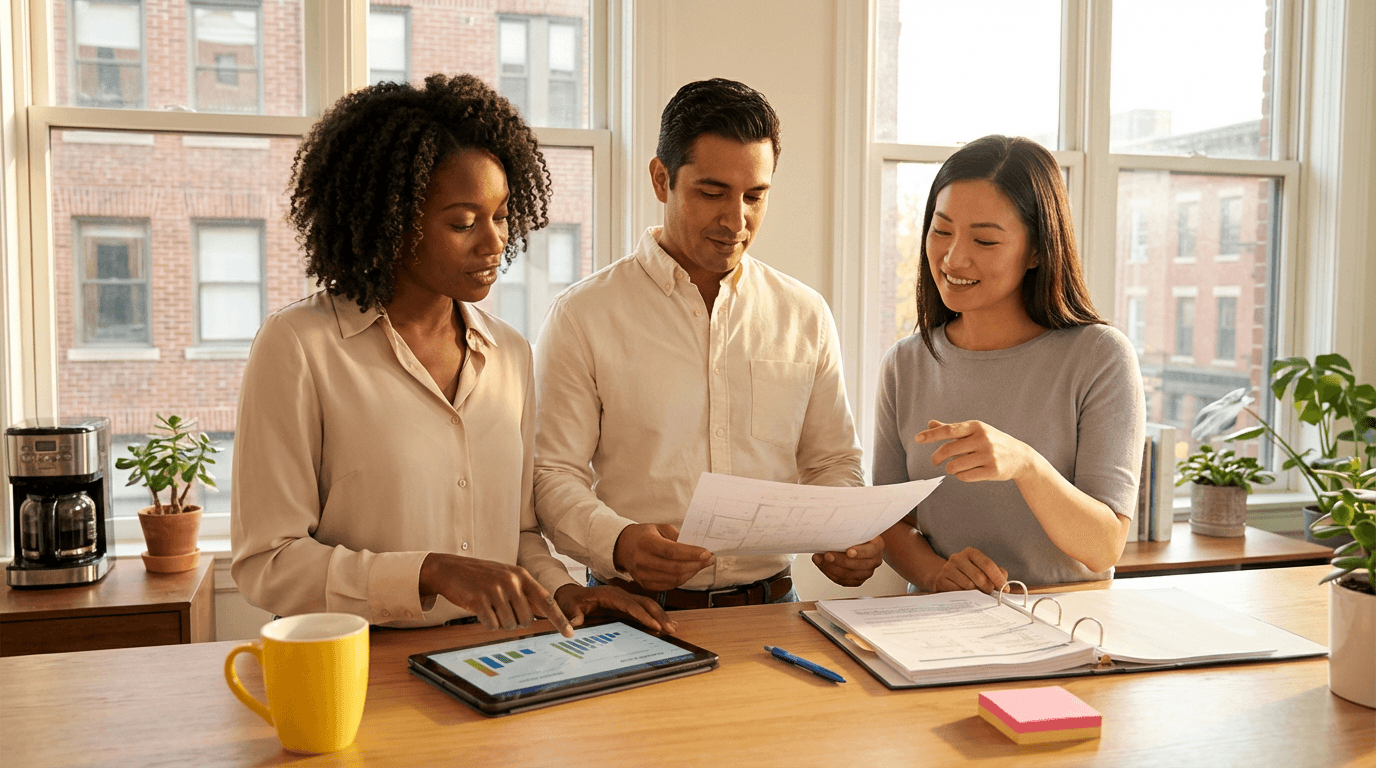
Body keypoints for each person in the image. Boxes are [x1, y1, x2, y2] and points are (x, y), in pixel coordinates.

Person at [231, 74, 674, 635]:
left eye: (501, 216)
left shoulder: (510, 354)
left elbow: (514, 535)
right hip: (357, 665)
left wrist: (563, 590)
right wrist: (429, 572)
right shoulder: (299, 347)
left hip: (492, 661)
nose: (493, 244)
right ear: (391, 220)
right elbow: (266, 564)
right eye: (463, 222)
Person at [533, 78, 884, 610]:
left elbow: (833, 462)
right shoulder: (584, 316)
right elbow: (551, 473)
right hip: (632, 612)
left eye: (755, 196)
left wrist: (846, 533)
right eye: (712, 192)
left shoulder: (804, 314)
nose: (735, 219)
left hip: (773, 611)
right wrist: (618, 543)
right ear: (661, 179)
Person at [874, 135, 1145, 593]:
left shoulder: (1100, 357)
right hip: (936, 628)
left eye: (984, 239)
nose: (954, 257)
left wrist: (1026, 464)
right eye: (941, 231)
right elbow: (890, 521)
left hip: (1067, 626)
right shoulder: (906, 363)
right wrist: (935, 574)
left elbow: (1104, 546)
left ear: (1037, 251)